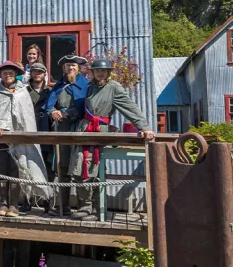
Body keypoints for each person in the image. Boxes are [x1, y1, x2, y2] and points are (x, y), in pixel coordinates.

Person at [70, 59, 154, 221]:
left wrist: (144, 126)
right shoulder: (89, 87)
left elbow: (129, 107)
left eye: (104, 71)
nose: (101, 73)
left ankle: (95, 208)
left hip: (99, 131)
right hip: (84, 130)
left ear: (108, 73)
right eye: (98, 71)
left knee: (94, 167)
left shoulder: (113, 87)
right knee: (79, 167)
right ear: (92, 72)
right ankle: (84, 206)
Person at [0, 61, 49, 217]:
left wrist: (22, 132)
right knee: (1, 169)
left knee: (17, 170)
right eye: (4, 73)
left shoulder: (23, 92)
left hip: (19, 138)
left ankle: (14, 205)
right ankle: (2, 203)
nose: (8, 75)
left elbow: (26, 116)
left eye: (11, 72)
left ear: (16, 74)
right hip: (1, 138)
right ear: (0, 75)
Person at [44, 55, 90, 216]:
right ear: (63, 68)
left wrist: (66, 112)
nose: (70, 68)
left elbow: (86, 106)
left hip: (79, 129)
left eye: (73, 66)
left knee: (79, 166)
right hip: (61, 130)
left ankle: (84, 207)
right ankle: (64, 207)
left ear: (78, 68)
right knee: (62, 168)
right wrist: (53, 112)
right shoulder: (59, 85)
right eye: (68, 66)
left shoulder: (86, 85)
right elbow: (49, 105)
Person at [27, 63, 54, 187]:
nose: (37, 74)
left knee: (46, 166)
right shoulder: (24, 90)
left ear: (44, 74)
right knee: (28, 166)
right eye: (35, 71)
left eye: (40, 72)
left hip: (45, 129)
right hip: (28, 129)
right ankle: (28, 201)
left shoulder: (50, 91)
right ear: (31, 73)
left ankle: (47, 202)